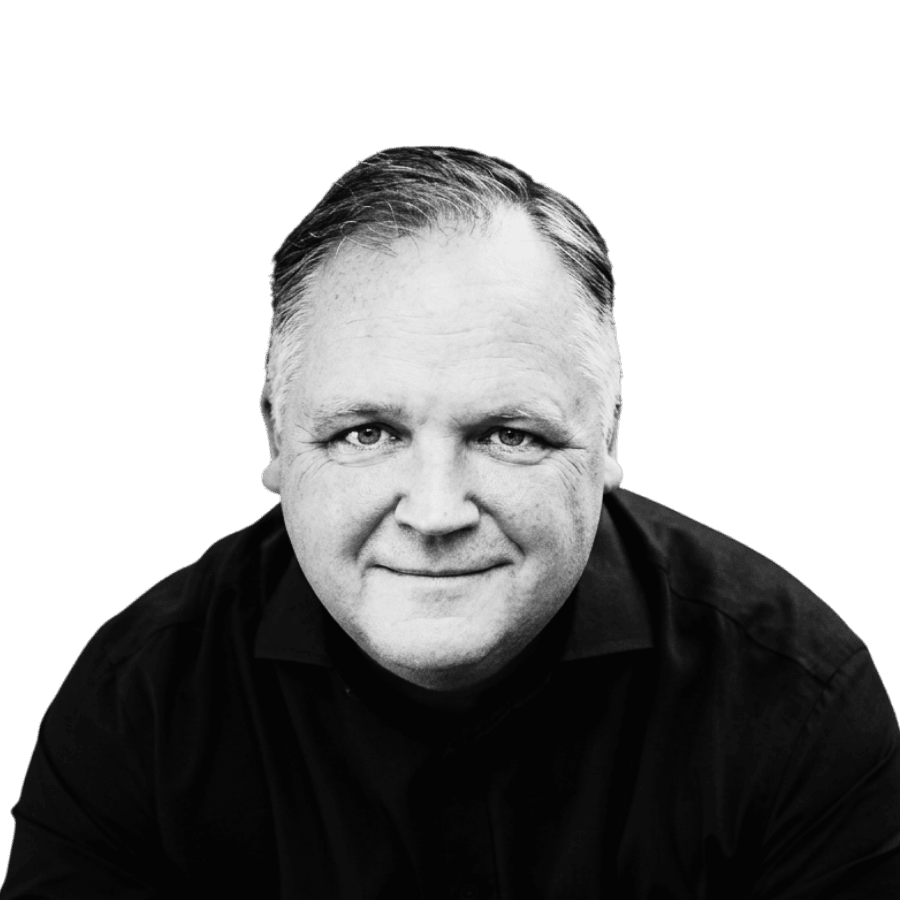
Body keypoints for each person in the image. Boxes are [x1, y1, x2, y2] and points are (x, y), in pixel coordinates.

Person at [2, 146, 898, 899]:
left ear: (610, 439)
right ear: (276, 438)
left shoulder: (799, 707)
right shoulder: (136, 707)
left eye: (510, 434)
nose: (435, 513)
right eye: (366, 432)